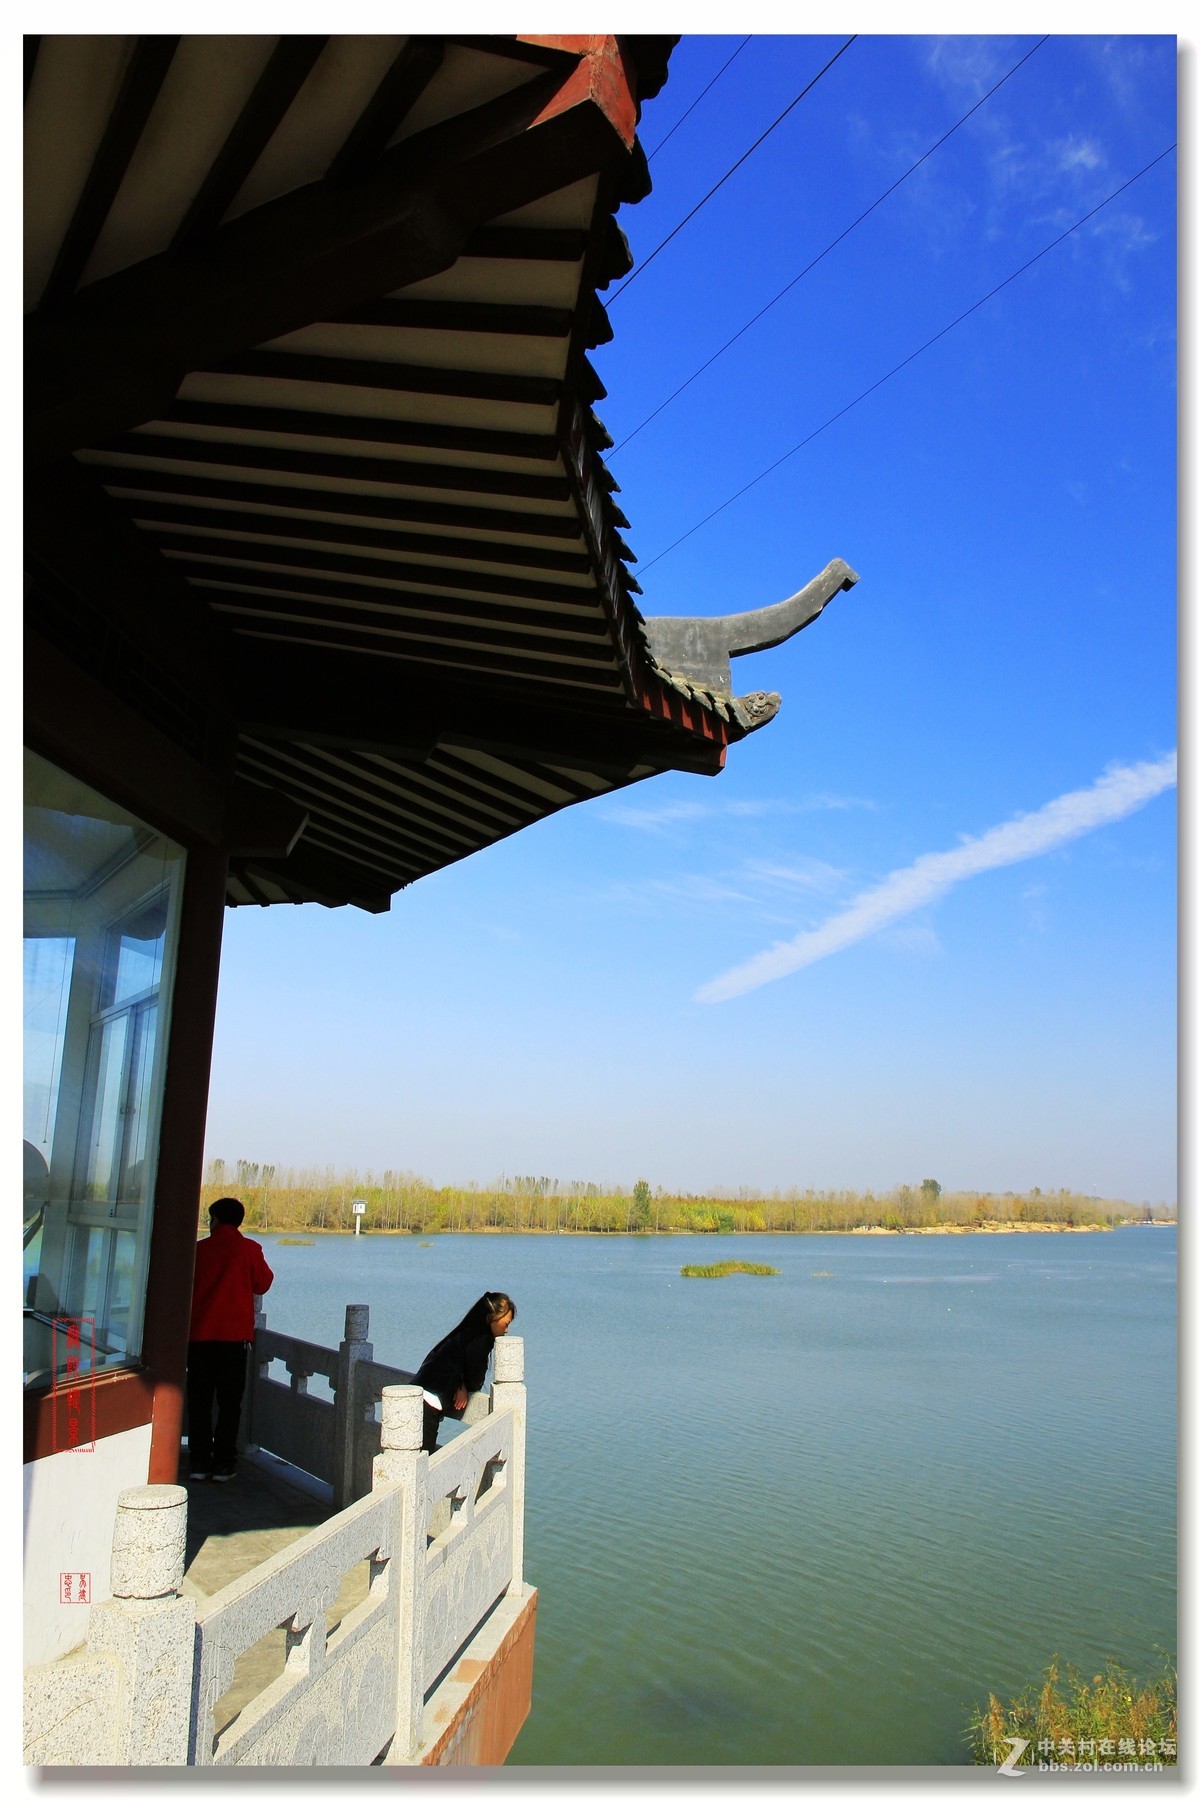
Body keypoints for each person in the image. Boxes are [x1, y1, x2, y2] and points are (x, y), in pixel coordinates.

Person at [186, 1196, 273, 1482]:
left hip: (198, 1339)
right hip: (234, 1342)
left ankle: (198, 1463)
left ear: (217, 1220)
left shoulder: (198, 1251)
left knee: (199, 1402)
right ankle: (224, 1463)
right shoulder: (248, 1249)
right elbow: (263, 1283)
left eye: (211, 1219)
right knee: (229, 1404)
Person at [414, 1291, 515, 1453]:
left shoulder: (464, 1333)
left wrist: (460, 1382)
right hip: (430, 1401)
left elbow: (447, 1362)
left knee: (415, 1457)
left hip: (417, 1393)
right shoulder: (481, 1339)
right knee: (422, 1461)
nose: (507, 1330)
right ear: (491, 1317)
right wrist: (465, 1385)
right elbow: (476, 1381)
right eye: (506, 1323)